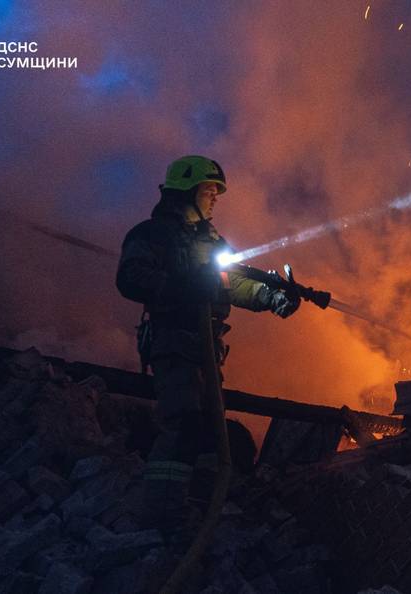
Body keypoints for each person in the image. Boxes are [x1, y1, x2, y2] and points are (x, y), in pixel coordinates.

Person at [115, 155, 300, 540]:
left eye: (217, 191)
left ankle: (200, 507)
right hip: (174, 340)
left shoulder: (212, 242)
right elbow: (131, 278)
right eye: (209, 190)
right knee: (182, 424)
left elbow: (235, 284)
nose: (215, 198)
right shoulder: (152, 235)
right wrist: (183, 288)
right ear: (186, 189)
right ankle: (161, 516)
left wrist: (273, 297)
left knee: (208, 426)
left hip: (206, 346)